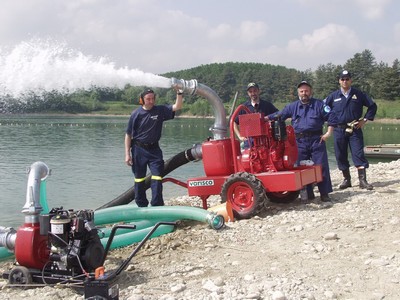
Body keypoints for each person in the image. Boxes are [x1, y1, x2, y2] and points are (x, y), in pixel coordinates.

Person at [267, 81, 335, 202]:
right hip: (299, 142)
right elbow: (279, 115)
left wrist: (328, 133)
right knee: (301, 168)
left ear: (311, 92)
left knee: (321, 166)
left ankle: (324, 193)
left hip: (316, 140)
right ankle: (307, 194)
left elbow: (332, 117)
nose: (304, 93)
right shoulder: (292, 107)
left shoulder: (319, 105)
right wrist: (264, 118)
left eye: (306, 91)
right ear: (298, 93)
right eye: (302, 91)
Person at [125, 88, 184, 207]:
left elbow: (177, 106)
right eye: (148, 99)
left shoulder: (160, 110)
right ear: (142, 100)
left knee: (157, 177)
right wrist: (127, 154)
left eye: (153, 98)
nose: (151, 101)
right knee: (139, 179)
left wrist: (179, 93)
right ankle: (141, 205)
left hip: (154, 150)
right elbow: (128, 135)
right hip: (138, 150)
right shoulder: (136, 114)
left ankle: (157, 205)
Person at [324, 70, 377, 190]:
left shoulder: (358, 94)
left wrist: (365, 120)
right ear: (339, 81)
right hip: (339, 130)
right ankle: (346, 180)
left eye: (347, 79)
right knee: (340, 155)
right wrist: (329, 120)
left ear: (351, 80)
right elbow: (324, 109)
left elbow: (372, 106)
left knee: (358, 153)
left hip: (355, 129)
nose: (345, 81)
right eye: (342, 79)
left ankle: (362, 181)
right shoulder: (333, 96)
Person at [234, 82, 279, 147]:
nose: (253, 93)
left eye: (255, 91)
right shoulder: (244, 107)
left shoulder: (267, 105)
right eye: (250, 91)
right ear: (248, 93)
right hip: (249, 142)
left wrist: (270, 120)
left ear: (259, 91)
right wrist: (239, 136)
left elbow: (278, 114)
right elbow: (234, 122)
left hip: (266, 141)